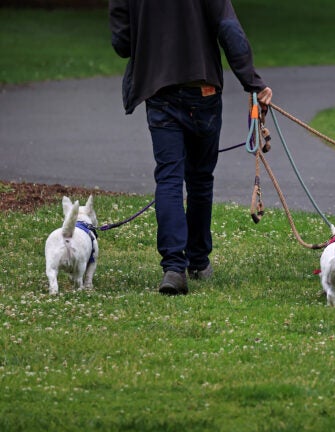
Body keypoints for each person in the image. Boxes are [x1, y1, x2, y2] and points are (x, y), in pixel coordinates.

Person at [109, 0, 273, 295]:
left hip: (159, 90)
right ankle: (198, 260)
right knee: (199, 179)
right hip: (204, 89)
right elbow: (228, 28)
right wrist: (253, 82)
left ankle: (174, 267)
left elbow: (122, 43)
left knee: (169, 177)